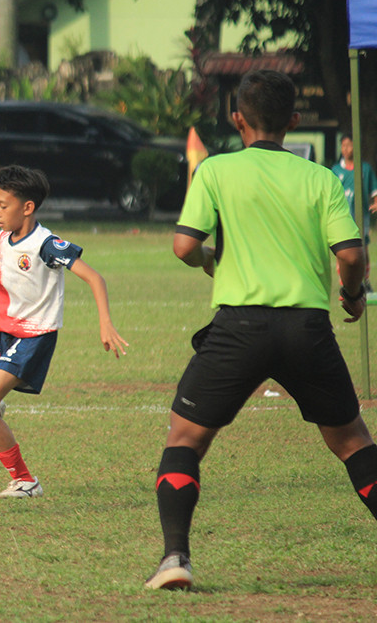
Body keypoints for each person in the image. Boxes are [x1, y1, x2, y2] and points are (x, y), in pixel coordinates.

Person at [145, 70, 377, 591]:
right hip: (306, 328)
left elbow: (184, 247)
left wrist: (210, 259)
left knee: (185, 439)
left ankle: (175, 558)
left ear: (237, 120)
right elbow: (353, 255)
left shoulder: (216, 171)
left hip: (238, 327)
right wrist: (353, 294)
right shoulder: (319, 178)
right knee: (352, 442)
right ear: (293, 122)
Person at [0, 165, 127, 499]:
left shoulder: (46, 244)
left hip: (33, 336)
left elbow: (94, 277)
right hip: (2, 333)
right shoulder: (2, 239)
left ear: (27, 207)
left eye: (3, 206)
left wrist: (105, 322)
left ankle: (26, 481)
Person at [330, 133, 377, 292]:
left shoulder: (365, 169)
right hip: (342, 218)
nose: (346, 149)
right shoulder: (336, 170)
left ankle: (365, 281)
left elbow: (373, 190)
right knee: (342, 252)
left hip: (360, 217)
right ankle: (345, 283)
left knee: (362, 250)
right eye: (343, 146)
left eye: (349, 145)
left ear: (355, 146)